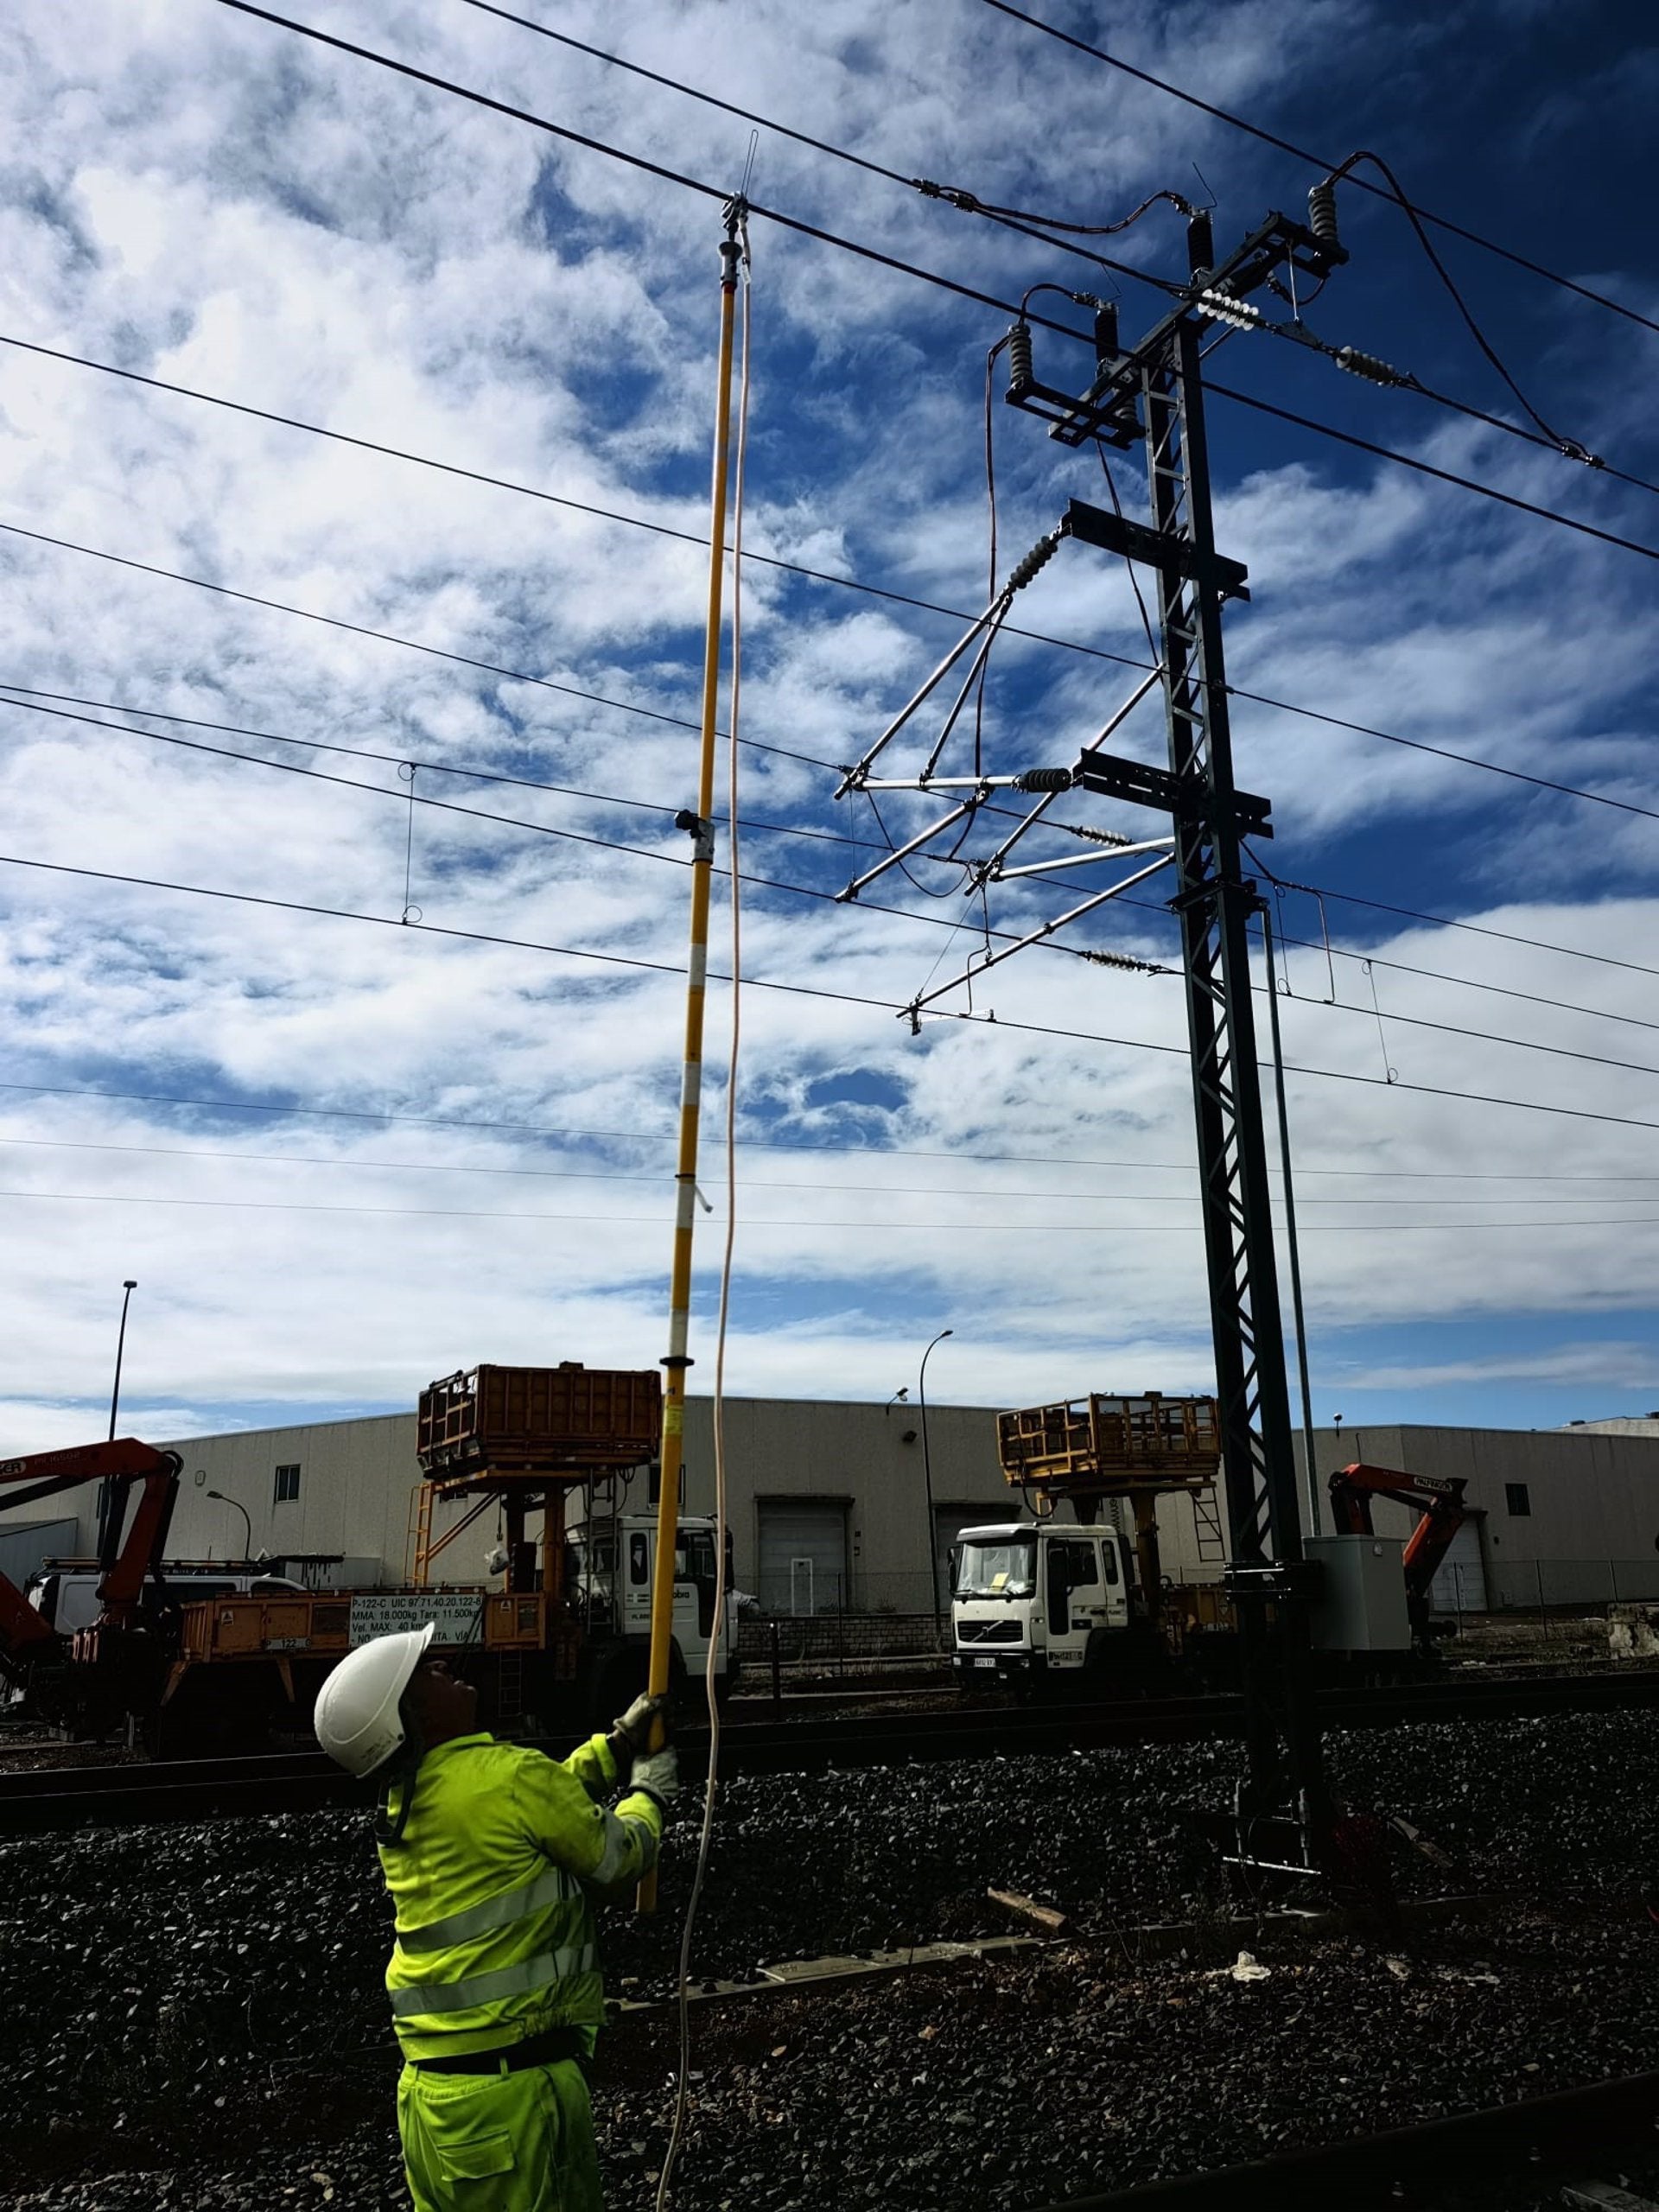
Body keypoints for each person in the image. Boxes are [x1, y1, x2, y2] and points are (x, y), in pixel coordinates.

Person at [313, 1625, 677, 2211]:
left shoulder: (406, 1803)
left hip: (430, 2104)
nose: (448, 1670)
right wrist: (650, 1793)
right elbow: (618, 1856)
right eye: (428, 1673)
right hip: (514, 2102)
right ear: (416, 1717)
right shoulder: (507, 1779)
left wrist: (613, 1746)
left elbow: (535, 1803)